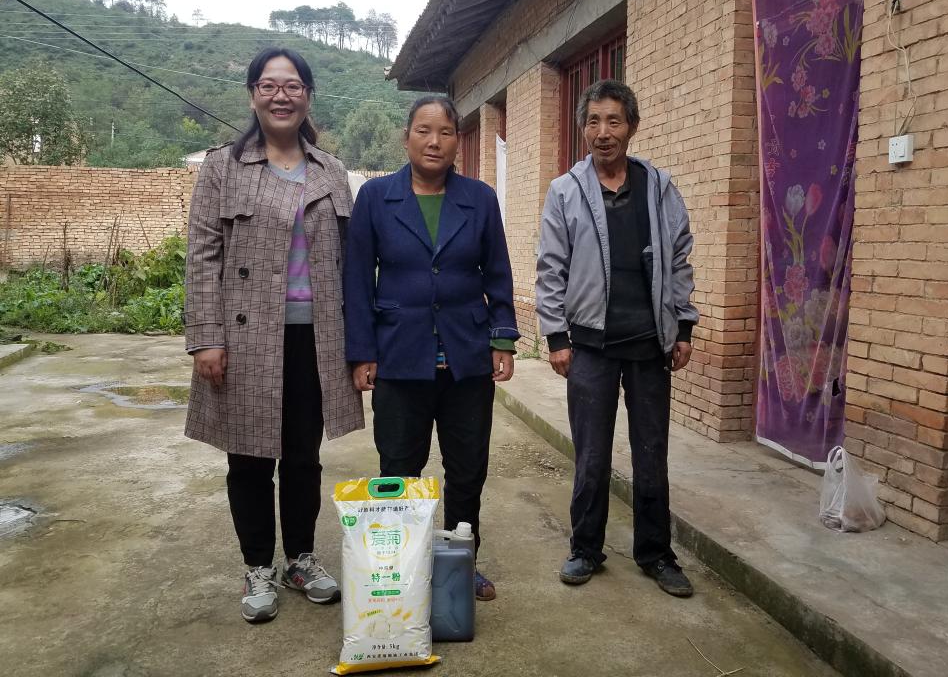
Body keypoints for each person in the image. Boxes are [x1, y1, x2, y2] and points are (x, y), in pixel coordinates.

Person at [184, 47, 364, 623]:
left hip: (318, 337)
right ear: (252, 96)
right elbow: (203, 255)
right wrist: (206, 336)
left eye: (292, 86)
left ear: (308, 95)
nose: (280, 96)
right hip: (246, 338)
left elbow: (352, 262)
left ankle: (301, 558)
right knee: (250, 457)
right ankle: (258, 565)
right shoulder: (224, 167)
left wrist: (361, 343)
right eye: (268, 85)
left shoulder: (331, 170)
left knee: (304, 456)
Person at [343, 95, 519, 602]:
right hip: (400, 357)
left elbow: (497, 272)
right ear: (406, 138)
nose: (434, 141)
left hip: (466, 358)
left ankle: (462, 565)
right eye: (424, 130)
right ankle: (401, 572)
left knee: (467, 469)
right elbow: (358, 279)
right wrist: (362, 352)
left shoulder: (479, 199)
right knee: (399, 468)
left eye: (445, 131)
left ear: (457, 141)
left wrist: (502, 338)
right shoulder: (376, 197)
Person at [536, 79, 699, 597]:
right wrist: (556, 335)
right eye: (593, 121)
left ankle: (656, 554)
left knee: (652, 453)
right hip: (591, 346)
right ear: (583, 129)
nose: (603, 132)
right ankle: (585, 548)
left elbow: (679, 259)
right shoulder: (565, 191)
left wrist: (684, 325)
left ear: (632, 126)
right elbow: (551, 268)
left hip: (650, 344)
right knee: (591, 454)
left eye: (614, 121)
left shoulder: (659, 187)